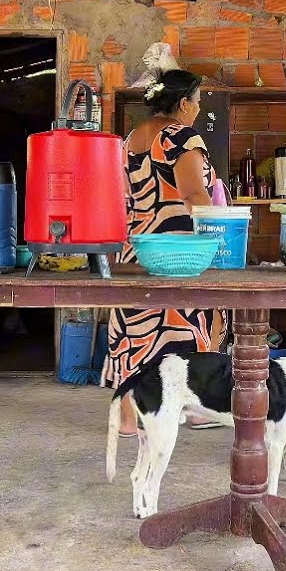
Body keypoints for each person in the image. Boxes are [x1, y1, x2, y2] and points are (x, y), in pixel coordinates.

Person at [104, 69, 222, 437]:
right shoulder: (182, 137)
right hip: (177, 251)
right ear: (184, 103)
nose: (199, 109)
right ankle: (199, 409)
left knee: (135, 332)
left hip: (135, 247)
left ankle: (128, 419)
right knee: (195, 322)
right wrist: (223, 230)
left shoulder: (133, 138)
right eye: (198, 101)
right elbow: (194, 196)